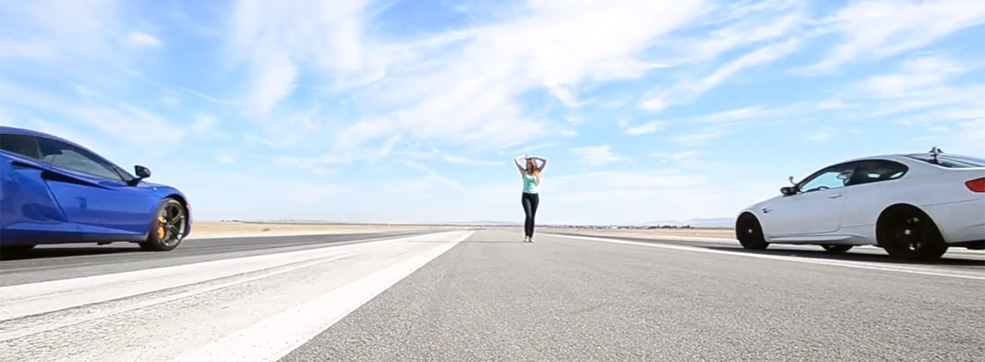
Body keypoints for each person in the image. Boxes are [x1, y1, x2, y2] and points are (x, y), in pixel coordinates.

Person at [514, 154, 547, 242]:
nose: (527, 165)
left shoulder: (537, 172)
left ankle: (531, 236)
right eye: (527, 163)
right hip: (526, 195)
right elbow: (516, 160)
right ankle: (526, 235)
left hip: (535, 196)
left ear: (533, 164)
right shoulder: (524, 172)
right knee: (528, 215)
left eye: (529, 163)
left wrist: (535, 157)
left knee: (533, 216)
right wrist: (523, 156)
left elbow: (545, 161)